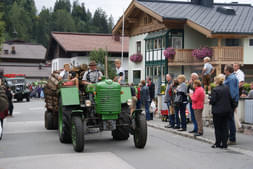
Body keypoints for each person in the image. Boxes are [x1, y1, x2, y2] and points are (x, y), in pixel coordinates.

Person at [210, 74, 234, 149]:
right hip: (226, 110)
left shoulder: (215, 89)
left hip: (217, 111)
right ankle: (224, 144)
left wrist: (210, 100)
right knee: (225, 127)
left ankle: (218, 143)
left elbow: (213, 101)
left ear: (216, 81)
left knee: (218, 127)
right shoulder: (227, 88)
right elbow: (230, 99)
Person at [224, 64, 239, 145]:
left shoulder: (232, 78)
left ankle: (232, 139)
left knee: (230, 120)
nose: (224, 71)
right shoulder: (230, 77)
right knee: (229, 119)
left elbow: (232, 92)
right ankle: (230, 137)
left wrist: (230, 102)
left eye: (225, 69)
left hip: (230, 101)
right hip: (230, 101)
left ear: (228, 71)